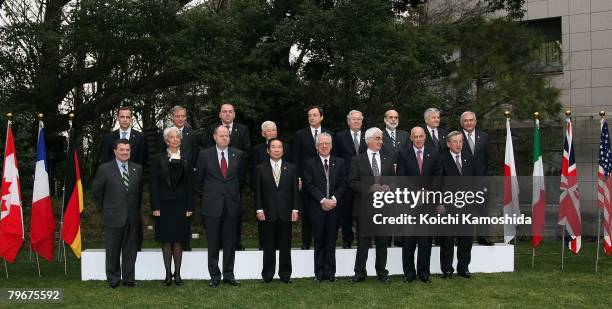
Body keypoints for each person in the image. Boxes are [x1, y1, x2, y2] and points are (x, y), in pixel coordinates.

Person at [196, 125, 245, 287]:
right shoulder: (204, 155)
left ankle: (229, 274)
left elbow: (241, 179)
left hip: (232, 205)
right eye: (221, 135)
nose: (225, 138)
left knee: (230, 243)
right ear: (214, 137)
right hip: (212, 206)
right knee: (213, 243)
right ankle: (214, 276)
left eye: (227, 135)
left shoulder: (238, 155)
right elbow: (199, 180)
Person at [92, 139, 143, 288]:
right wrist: (107, 207)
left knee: (130, 250)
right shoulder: (105, 169)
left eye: (127, 150)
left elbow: (137, 193)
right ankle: (113, 279)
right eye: (122, 150)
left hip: (132, 217)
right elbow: (97, 191)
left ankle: (129, 279)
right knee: (113, 251)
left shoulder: (137, 168)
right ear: (115, 151)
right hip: (113, 216)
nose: (125, 152)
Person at [150, 127, 194, 286]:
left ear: (180, 140)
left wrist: (190, 206)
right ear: (167, 140)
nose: (175, 139)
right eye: (172, 137)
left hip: (181, 205)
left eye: (178, 137)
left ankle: (178, 275)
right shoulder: (158, 158)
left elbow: (190, 184)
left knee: (178, 240)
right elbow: (153, 184)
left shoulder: (187, 157)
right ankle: (168, 274)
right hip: (163, 205)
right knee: (166, 240)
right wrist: (155, 206)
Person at [396, 127, 441, 283]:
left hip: (428, 204)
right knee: (408, 240)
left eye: (421, 136)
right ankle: (409, 274)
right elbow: (401, 178)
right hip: (409, 204)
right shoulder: (403, 153)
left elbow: (438, 177)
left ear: (425, 137)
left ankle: (424, 273)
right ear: (411, 138)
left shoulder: (434, 153)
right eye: (415, 136)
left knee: (425, 240)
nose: (418, 139)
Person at [100, 107, 148, 251]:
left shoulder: (140, 137)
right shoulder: (109, 137)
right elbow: (106, 160)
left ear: (131, 119)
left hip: (133, 182)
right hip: (114, 184)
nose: (125, 119)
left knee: (134, 212)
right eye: (122, 117)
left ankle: (136, 245)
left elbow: (143, 160)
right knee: (116, 213)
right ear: (118, 118)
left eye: (128, 117)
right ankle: (116, 245)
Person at [350, 127, 394, 283]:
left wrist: (389, 187)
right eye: (377, 138)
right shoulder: (357, 159)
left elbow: (393, 181)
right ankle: (360, 273)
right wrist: (369, 188)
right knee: (363, 242)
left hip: (383, 208)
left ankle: (382, 273)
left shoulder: (388, 159)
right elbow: (352, 182)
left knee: (382, 242)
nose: (381, 141)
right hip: (364, 208)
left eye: (381, 139)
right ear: (368, 140)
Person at [304, 133, 348, 282]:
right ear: (316, 147)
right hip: (317, 208)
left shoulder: (340, 162)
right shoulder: (309, 163)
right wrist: (323, 200)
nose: (324, 146)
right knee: (319, 241)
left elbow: (344, 183)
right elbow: (309, 184)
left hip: (335, 208)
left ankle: (330, 273)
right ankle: (319, 273)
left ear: (331, 145)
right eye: (321, 143)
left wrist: (333, 199)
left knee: (331, 241)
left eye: (327, 143)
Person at [207, 103, 251, 251]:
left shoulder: (243, 129)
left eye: (230, 112)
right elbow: (207, 154)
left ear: (234, 114)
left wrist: (238, 176)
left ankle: (236, 243)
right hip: (215, 182)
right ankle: (217, 244)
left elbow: (246, 153)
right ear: (219, 114)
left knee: (234, 213)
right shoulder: (211, 129)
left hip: (236, 179)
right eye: (224, 112)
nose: (227, 114)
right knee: (216, 214)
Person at [255, 138, 299, 283]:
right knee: (268, 245)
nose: (276, 149)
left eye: (279, 147)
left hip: (286, 212)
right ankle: (267, 275)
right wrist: (259, 209)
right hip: (267, 212)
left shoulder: (291, 168)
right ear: (268, 150)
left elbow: (295, 191)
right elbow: (258, 191)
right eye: (273, 147)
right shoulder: (260, 168)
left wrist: (295, 209)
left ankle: (285, 275)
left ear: (283, 150)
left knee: (286, 245)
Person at [293, 106, 334, 250]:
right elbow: (296, 157)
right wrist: (298, 177)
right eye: (309, 115)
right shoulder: (300, 134)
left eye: (315, 115)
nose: (312, 117)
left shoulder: (329, 133)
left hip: (326, 178)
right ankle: (306, 242)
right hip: (306, 179)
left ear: (321, 117)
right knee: (307, 211)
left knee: (325, 212)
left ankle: (324, 242)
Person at [438, 131, 476, 279]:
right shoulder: (441, 159)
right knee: (447, 240)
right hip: (448, 206)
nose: (458, 144)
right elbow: (438, 182)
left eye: (460, 141)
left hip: (467, 206)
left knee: (466, 239)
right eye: (455, 141)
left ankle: (464, 268)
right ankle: (447, 269)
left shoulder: (469, 159)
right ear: (448, 144)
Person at [251, 120, 292, 250]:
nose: (272, 132)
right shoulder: (257, 150)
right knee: (265, 229)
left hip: (283, 197)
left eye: (274, 129)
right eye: (269, 130)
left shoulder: (286, 147)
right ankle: (264, 248)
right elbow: (253, 173)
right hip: (265, 197)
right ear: (263, 133)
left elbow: (291, 169)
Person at [166, 105, 201, 251]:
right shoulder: (165, 133)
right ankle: (170, 243)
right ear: (172, 117)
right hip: (168, 182)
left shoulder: (192, 134)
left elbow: (196, 155)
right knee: (170, 215)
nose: (180, 119)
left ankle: (185, 245)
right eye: (177, 116)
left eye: (183, 116)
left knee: (186, 212)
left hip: (186, 181)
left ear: (186, 117)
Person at [460, 111, 494, 246]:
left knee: (483, 210)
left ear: (475, 121)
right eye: (466, 120)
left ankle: (483, 237)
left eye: (471, 120)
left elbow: (489, 159)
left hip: (482, 182)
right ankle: (461, 237)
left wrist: (488, 178)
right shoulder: (456, 137)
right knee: (462, 211)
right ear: (462, 122)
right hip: (463, 182)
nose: (469, 123)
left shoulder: (484, 137)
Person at [334, 110, 367, 248]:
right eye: (353, 119)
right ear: (348, 121)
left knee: (364, 212)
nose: (356, 121)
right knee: (346, 212)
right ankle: (347, 240)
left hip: (364, 181)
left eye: (359, 119)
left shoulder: (368, 136)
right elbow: (336, 158)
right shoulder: (340, 136)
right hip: (346, 180)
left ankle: (364, 241)